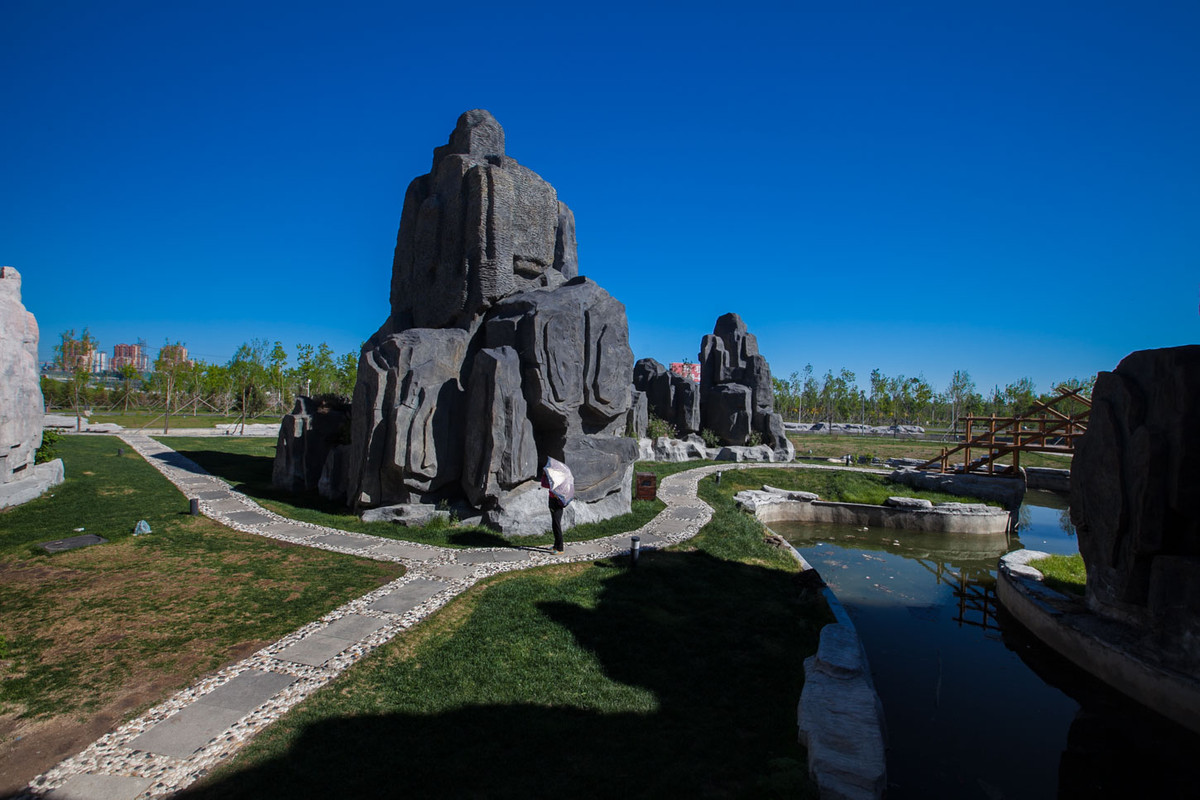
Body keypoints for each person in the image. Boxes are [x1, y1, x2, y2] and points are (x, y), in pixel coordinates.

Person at [541, 467, 566, 553]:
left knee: (557, 524)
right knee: (554, 524)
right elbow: (544, 484)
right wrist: (544, 475)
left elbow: (562, 493)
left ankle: (560, 548)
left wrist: (557, 495)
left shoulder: (561, 482)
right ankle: (556, 545)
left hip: (557, 503)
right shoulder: (553, 481)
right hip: (552, 501)